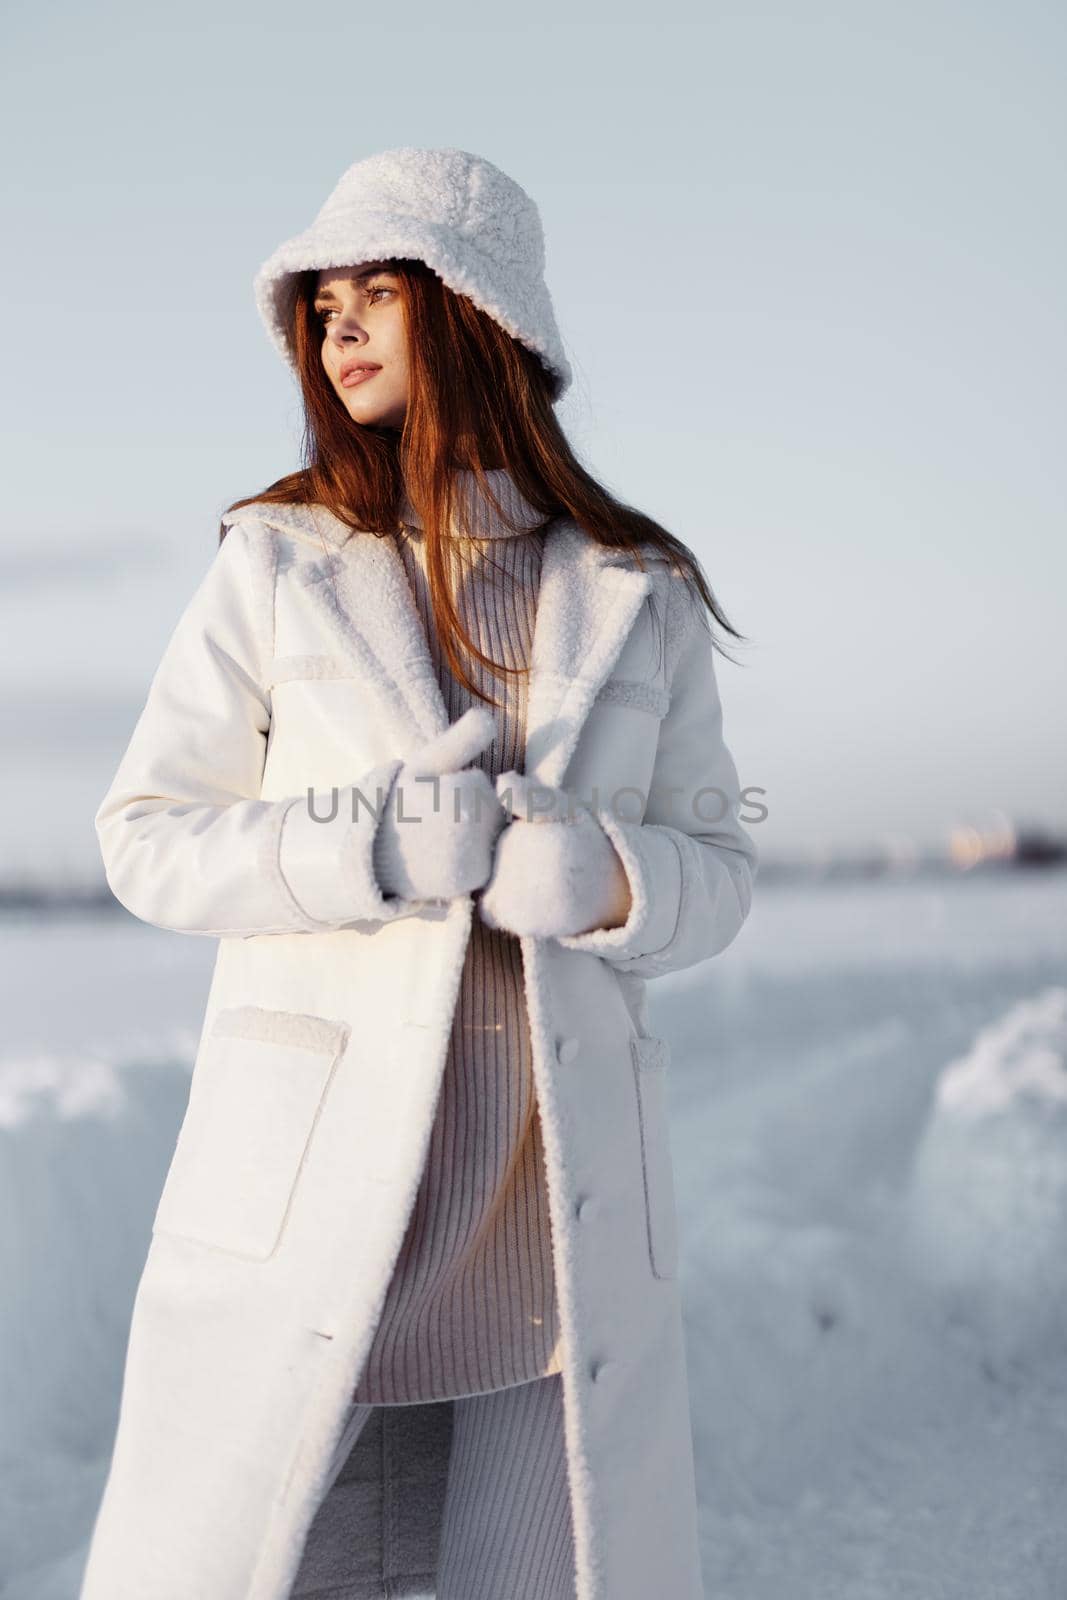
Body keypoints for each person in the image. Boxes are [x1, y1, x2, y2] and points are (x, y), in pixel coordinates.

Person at [79, 147, 758, 1600]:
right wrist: (368, 846)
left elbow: (720, 866)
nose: (339, 329)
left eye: (376, 292)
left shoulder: (637, 590)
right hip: (325, 1210)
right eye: (323, 304)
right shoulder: (278, 563)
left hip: (547, 1242)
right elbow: (145, 836)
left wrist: (611, 879)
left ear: (479, 314)